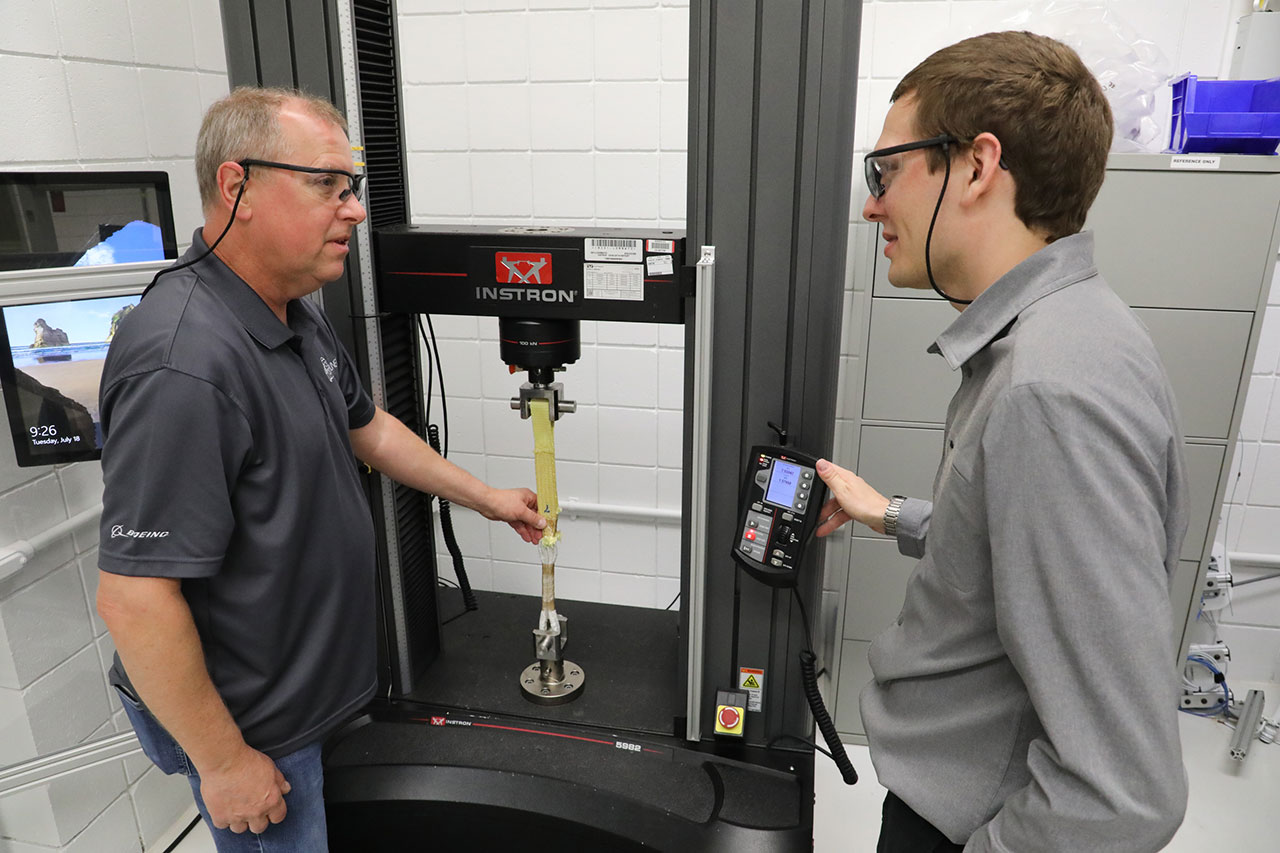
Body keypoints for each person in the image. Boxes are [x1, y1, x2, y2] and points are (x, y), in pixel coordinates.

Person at [95, 87, 546, 852]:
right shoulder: (183, 363)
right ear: (237, 187)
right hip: (258, 734)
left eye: (352, 187)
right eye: (327, 185)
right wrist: (225, 762)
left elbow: (367, 428)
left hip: (317, 695)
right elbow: (134, 599)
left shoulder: (288, 305)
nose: (355, 210)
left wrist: (487, 499)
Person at [814, 32, 1189, 852]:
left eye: (885, 172)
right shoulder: (1071, 328)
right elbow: (1018, 553)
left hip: (971, 825)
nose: (872, 205)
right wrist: (890, 514)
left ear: (977, 166)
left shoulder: (1047, 390)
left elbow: (1124, 792)